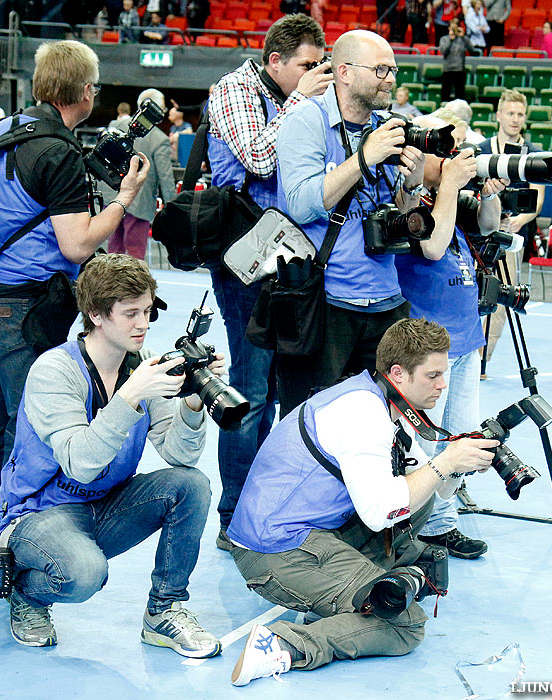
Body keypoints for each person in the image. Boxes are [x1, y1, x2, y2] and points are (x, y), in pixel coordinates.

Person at [226, 317, 499, 685]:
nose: (442, 384)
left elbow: (437, 489)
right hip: (274, 550)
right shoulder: (362, 415)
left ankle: (340, 601)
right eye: (433, 376)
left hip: (310, 531)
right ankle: (284, 645)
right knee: (405, 624)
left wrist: (460, 463)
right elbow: (379, 513)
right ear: (399, 373)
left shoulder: (378, 396)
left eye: (443, 373)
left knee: (420, 497)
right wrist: (444, 462)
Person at [0, 40, 149, 546]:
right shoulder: (58, 151)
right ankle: (13, 549)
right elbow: (76, 243)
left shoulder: (1, 129)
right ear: (85, 92)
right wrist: (123, 200)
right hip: (20, 305)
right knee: (31, 435)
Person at [0, 254, 223, 654]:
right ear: (95, 314)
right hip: (37, 514)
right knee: (83, 574)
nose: (143, 324)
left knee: (191, 485)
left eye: (148, 311)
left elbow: (181, 456)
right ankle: (27, 594)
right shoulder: (54, 371)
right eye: (130, 313)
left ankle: (163, 611)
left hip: (105, 505)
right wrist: (131, 395)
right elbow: (80, 463)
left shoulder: (142, 369)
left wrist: (193, 403)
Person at [204, 14, 329, 550]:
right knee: (252, 387)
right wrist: (303, 100)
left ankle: (269, 505)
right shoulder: (233, 89)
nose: (316, 73)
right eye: (306, 64)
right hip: (245, 259)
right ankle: (233, 516)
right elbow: (259, 156)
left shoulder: (296, 95)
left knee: (283, 390)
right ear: (275, 61)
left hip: (289, 258)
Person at [274, 29, 427, 417]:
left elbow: (397, 212)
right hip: (326, 302)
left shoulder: (389, 125)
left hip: (386, 300)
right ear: (343, 71)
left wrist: (412, 182)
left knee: (382, 423)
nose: (390, 78)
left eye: (392, 69)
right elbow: (300, 203)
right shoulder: (305, 120)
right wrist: (364, 157)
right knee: (308, 422)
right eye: (380, 69)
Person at [396, 111, 507, 559]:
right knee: (425, 442)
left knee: (459, 437)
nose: (455, 159)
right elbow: (431, 246)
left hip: (465, 339)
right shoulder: (408, 200)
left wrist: (487, 192)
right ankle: (425, 526)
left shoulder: (450, 199)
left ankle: (442, 522)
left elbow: (488, 225)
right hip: (429, 344)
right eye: (446, 150)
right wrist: (448, 186)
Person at [477, 89, 545, 371]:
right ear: (499, 116)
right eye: (510, 114)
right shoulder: (481, 149)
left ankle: (482, 359)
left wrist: (520, 220)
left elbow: (537, 197)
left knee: (501, 298)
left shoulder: (534, 154)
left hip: (511, 236)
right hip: (478, 233)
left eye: (520, 114)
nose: (515, 119)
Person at [107, 89, 177, 260]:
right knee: (134, 256)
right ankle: (131, 288)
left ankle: (109, 287)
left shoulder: (116, 127)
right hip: (140, 203)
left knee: (112, 252)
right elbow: (166, 179)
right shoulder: (159, 139)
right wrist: (174, 210)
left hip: (111, 198)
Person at [438, 18, 473, 102]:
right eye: (451, 28)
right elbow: (443, 51)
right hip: (448, 70)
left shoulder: (463, 39)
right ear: (449, 28)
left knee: (460, 95)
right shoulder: (444, 39)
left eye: (455, 27)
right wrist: (450, 40)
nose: (453, 30)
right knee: (445, 94)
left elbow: (472, 49)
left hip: (459, 70)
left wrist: (463, 37)